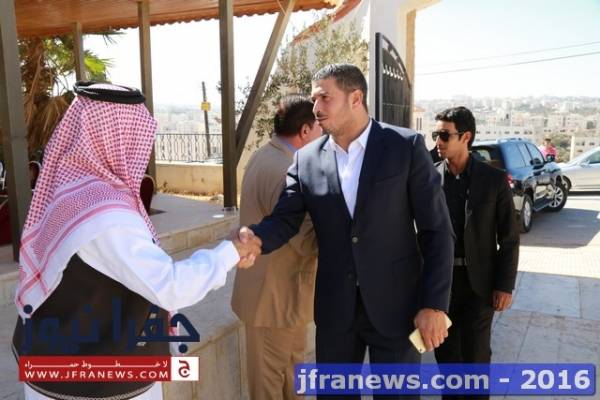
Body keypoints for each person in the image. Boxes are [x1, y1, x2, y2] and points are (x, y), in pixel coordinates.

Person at [12, 82, 259, 400]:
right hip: (93, 383)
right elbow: (171, 286)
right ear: (117, 136)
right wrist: (231, 251)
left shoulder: (70, 190)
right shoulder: (104, 212)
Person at [237, 64, 455, 399]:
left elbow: (436, 231)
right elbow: (284, 219)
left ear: (355, 98)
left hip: (397, 309)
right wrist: (256, 239)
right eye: (314, 99)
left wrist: (434, 304)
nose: (316, 107)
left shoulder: (404, 147)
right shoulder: (306, 159)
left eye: (325, 97)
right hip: (336, 311)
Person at [231, 94, 321, 400]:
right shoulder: (285, 170)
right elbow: (305, 239)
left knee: (292, 380)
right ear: (305, 131)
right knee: (270, 386)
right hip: (273, 300)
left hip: (282, 299)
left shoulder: (267, 155)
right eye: (319, 129)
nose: (323, 136)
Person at [432, 106, 520, 400]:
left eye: (445, 135)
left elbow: (509, 238)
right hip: (441, 286)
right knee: (447, 359)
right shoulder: (429, 179)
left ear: (466, 137)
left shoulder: (493, 180)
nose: (438, 141)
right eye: (436, 134)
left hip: (479, 285)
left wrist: (504, 285)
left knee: (476, 358)